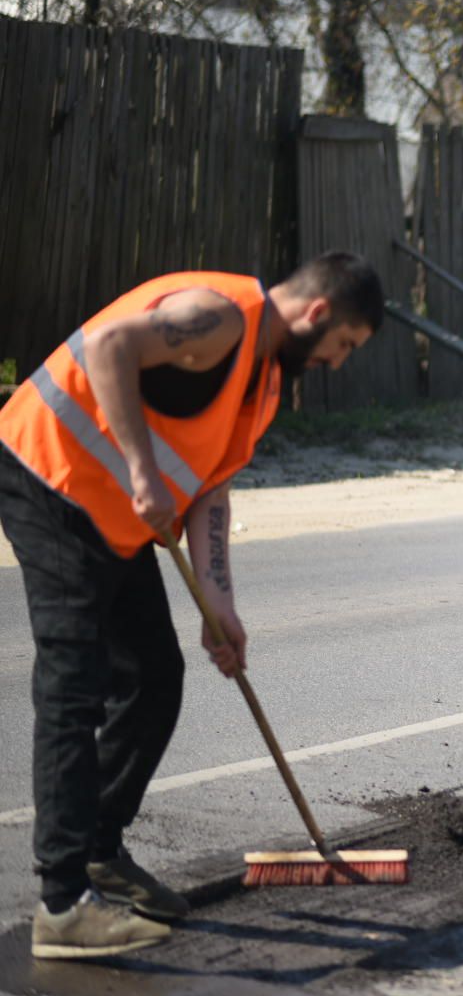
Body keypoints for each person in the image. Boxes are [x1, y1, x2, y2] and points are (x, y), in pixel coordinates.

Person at [0, 252, 385, 959]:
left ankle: (96, 850)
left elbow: (211, 488)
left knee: (154, 677)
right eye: (344, 346)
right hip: (47, 476)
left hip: (111, 514)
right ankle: (61, 906)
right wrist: (142, 468)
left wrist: (220, 605)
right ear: (319, 313)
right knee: (73, 679)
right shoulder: (220, 315)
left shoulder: (264, 383)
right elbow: (111, 345)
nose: (336, 363)